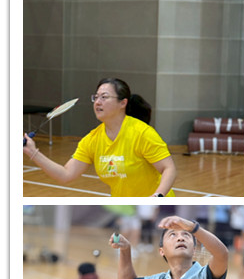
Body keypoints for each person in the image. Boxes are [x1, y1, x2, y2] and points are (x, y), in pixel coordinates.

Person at [23, 78, 176, 197]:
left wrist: (157, 197)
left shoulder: (142, 133)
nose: (97, 102)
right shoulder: (92, 139)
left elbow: (168, 168)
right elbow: (66, 174)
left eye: (104, 97)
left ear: (123, 103)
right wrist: (33, 152)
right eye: (95, 97)